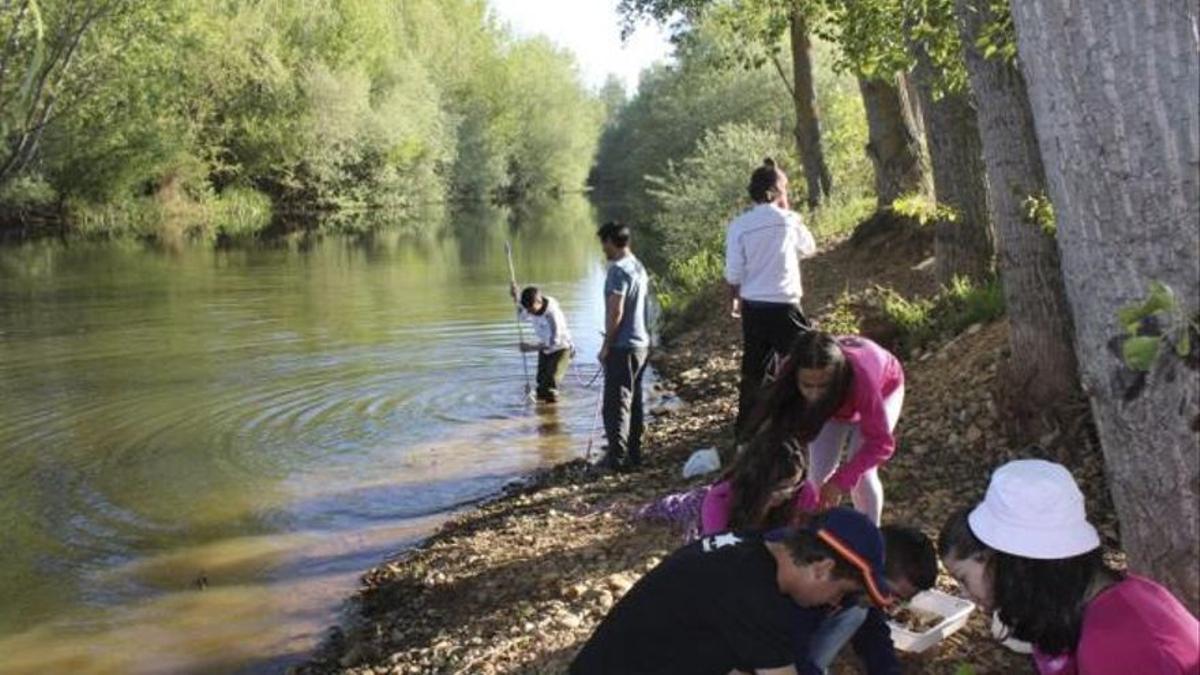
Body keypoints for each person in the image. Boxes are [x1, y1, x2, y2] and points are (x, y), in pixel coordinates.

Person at [938, 459, 1200, 674]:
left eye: (963, 578)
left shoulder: (1116, 646)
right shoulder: (1110, 600)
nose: (964, 592)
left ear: (1010, 564)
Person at [569, 508, 894, 675]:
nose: (837, 602)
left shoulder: (753, 545)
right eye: (841, 591)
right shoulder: (757, 596)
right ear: (821, 568)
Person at [735, 330, 903, 526]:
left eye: (823, 385)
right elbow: (777, 424)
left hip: (883, 391)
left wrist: (840, 482)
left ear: (837, 375)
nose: (814, 394)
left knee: (862, 476)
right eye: (807, 385)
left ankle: (872, 536)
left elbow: (880, 443)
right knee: (815, 474)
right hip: (835, 408)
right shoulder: (788, 372)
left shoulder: (861, 381)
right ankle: (812, 528)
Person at [725, 158, 817, 438]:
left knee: (755, 370)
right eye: (785, 189)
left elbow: (733, 272)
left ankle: (747, 432)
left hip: (754, 307)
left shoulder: (739, 226)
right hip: (785, 305)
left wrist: (734, 299)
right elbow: (810, 248)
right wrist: (787, 211)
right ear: (776, 191)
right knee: (809, 360)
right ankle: (806, 419)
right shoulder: (789, 221)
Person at [596, 221, 650, 472]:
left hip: (623, 346)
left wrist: (607, 344)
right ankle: (634, 454)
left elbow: (615, 311)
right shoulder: (638, 265)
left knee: (615, 405)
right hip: (641, 344)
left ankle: (616, 460)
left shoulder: (617, 270)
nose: (603, 249)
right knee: (634, 401)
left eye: (603, 243)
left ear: (610, 241)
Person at [509, 283, 573, 402]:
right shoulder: (531, 308)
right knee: (541, 382)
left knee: (550, 383)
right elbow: (521, 316)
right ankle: (542, 407)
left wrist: (530, 348)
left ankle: (551, 415)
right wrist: (515, 297)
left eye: (531, 310)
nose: (529, 313)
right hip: (544, 349)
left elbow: (554, 343)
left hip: (561, 349)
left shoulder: (553, 315)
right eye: (528, 310)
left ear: (539, 302)